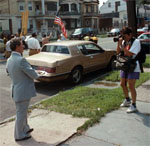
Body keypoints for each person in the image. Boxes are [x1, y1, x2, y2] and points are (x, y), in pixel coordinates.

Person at [6, 38, 39, 141]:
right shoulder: (21, 60)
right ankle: (19, 135)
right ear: (17, 47)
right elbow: (33, 74)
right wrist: (38, 73)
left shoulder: (9, 59)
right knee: (21, 114)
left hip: (16, 89)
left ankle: (25, 128)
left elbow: (9, 72)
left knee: (22, 112)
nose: (23, 46)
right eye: (21, 45)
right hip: (23, 91)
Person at [117, 27, 141, 113]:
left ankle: (133, 105)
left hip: (133, 65)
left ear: (130, 34)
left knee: (131, 86)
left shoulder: (136, 42)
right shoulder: (124, 41)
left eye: (125, 36)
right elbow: (118, 52)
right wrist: (119, 44)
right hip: (125, 65)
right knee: (122, 84)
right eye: (123, 36)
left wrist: (123, 47)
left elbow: (130, 54)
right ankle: (127, 100)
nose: (124, 38)